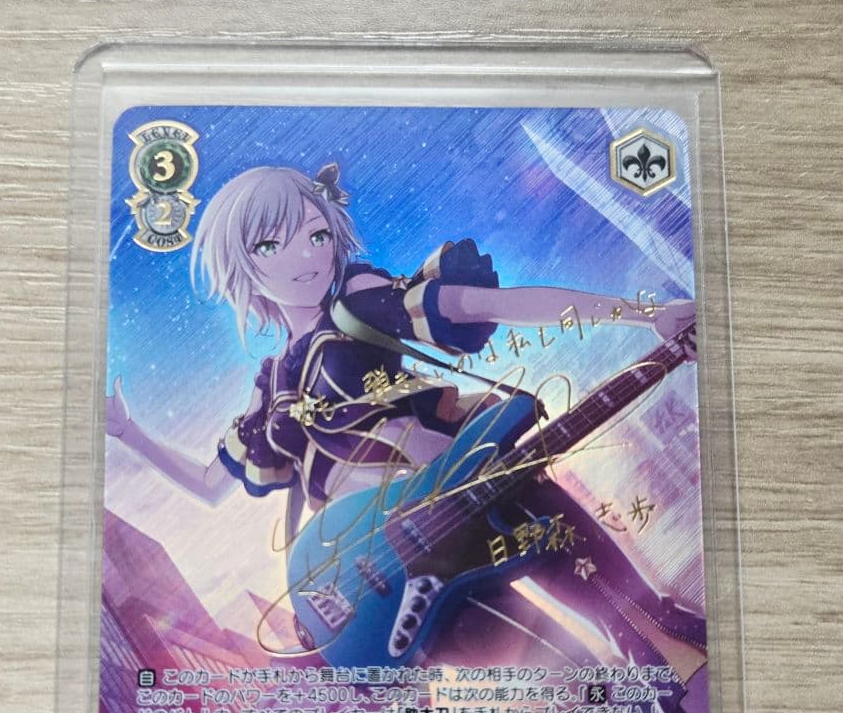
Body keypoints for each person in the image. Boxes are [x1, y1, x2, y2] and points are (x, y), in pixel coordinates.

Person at [106, 162, 704, 684]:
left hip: (485, 494)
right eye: (271, 246)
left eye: (316, 234)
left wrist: (647, 315)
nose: (306, 258)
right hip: (392, 574)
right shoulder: (275, 384)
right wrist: (128, 432)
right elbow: (213, 485)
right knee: (566, 683)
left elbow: (495, 305)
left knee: (642, 622)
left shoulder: (355, 304)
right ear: (241, 267)